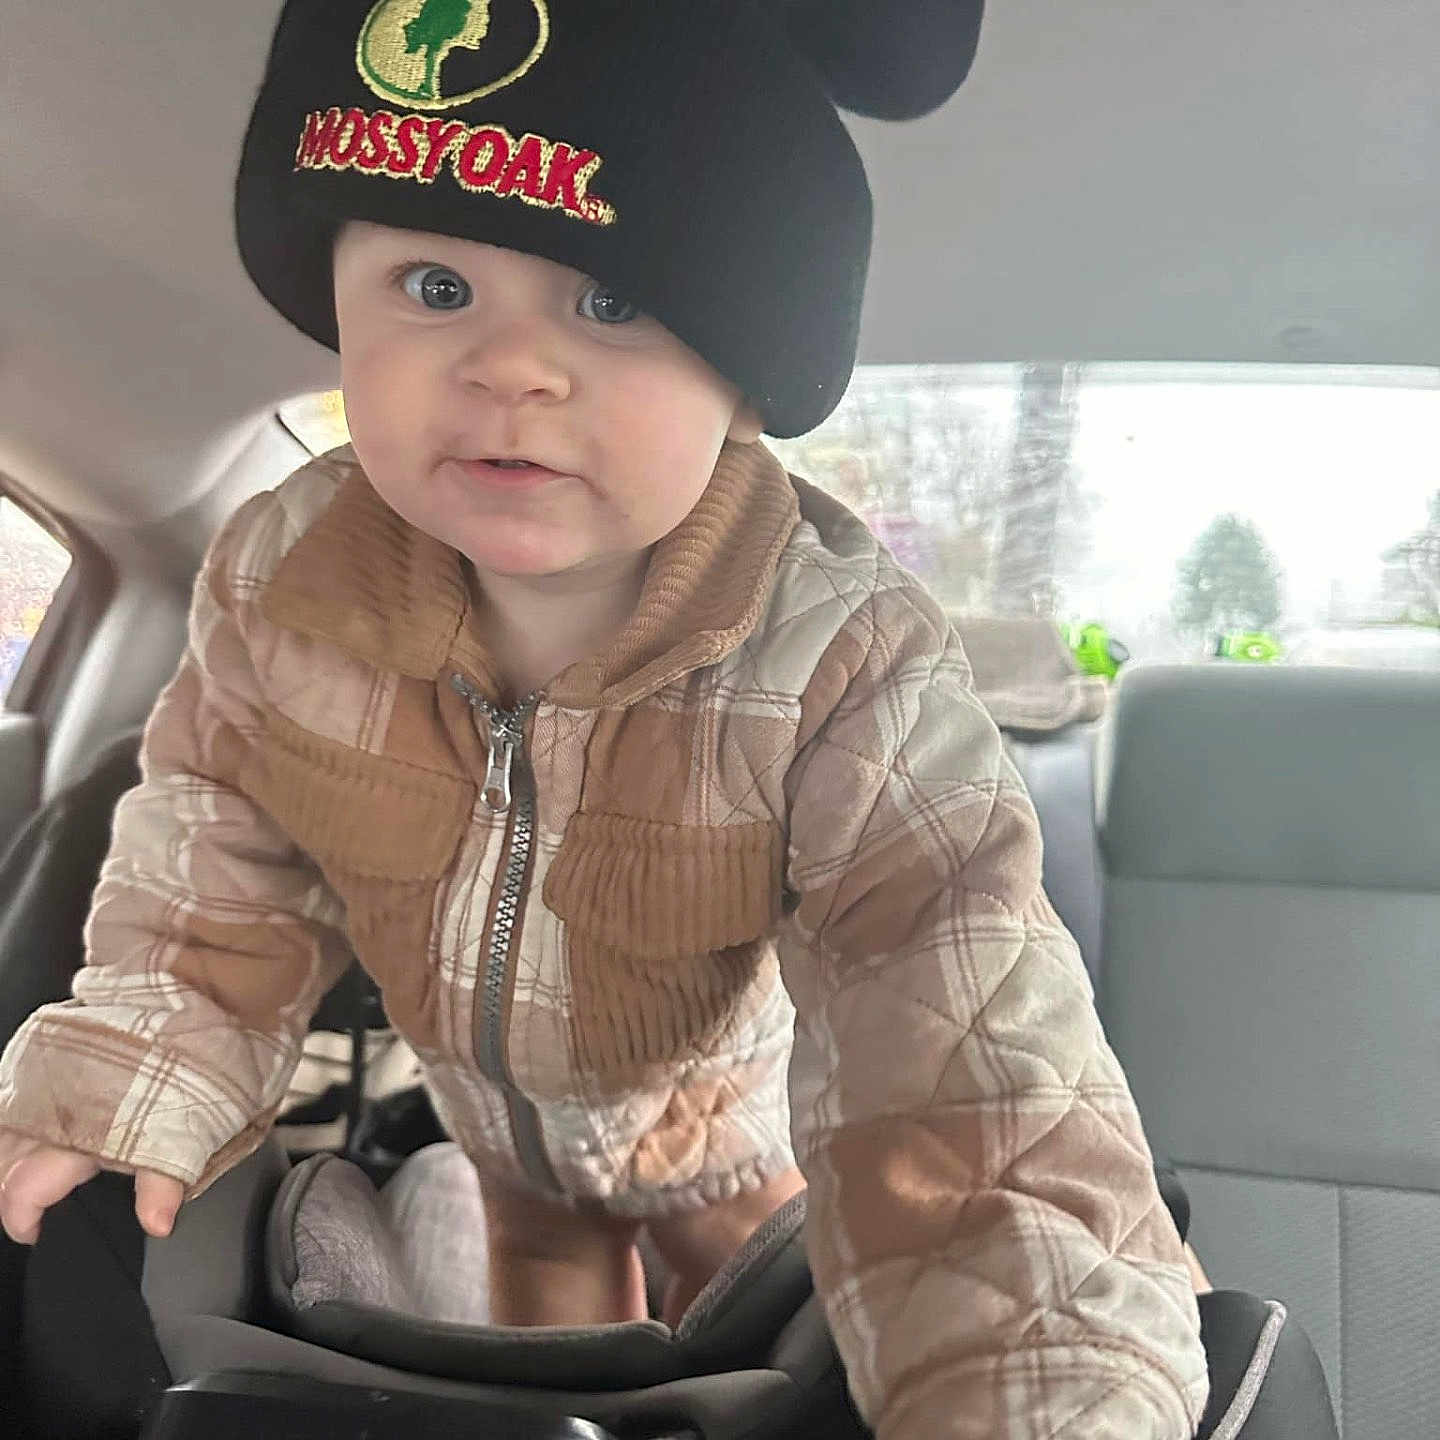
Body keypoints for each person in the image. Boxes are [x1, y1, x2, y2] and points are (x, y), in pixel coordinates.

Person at [0, 2, 1210, 1434]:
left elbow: (961, 1049)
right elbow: (214, 858)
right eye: (435, 288)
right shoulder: (282, 582)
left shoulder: (843, 656)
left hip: (722, 1135)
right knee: (556, 1366)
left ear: (751, 374)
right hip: (496, 1137)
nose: (512, 366)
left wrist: (1037, 1373)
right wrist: (144, 1060)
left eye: (613, 301)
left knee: (734, 1338)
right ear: (337, 310)